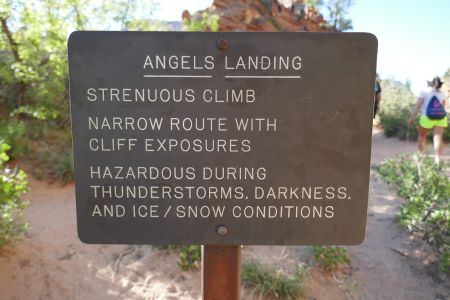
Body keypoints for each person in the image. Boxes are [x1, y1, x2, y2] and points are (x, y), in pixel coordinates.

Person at [408, 76, 448, 163]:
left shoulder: (424, 92)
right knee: (438, 137)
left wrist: (412, 119)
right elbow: (443, 107)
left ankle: (421, 157)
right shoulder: (443, 94)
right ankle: (437, 160)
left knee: (422, 136)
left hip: (426, 118)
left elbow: (417, 106)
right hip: (440, 118)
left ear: (430, 83)